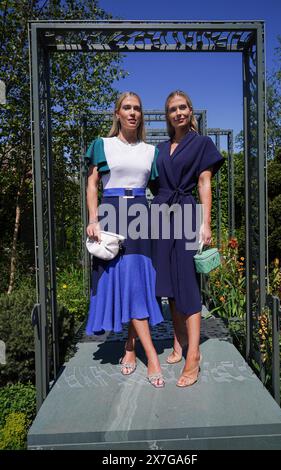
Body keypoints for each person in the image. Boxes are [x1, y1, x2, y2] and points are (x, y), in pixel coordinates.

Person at [84, 91, 164, 388]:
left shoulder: (150, 151)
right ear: (117, 113)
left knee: (137, 283)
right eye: (127, 108)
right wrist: (93, 219)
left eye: (137, 109)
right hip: (111, 214)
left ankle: (132, 348)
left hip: (142, 215)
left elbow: (162, 187)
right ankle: (150, 355)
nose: (133, 113)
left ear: (141, 115)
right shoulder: (101, 145)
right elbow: (92, 185)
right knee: (124, 281)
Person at [151, 90, 225, 387]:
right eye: (172, 109)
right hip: (159, 215)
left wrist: (205, 223)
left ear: (190, 111)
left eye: (183, 107)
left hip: (185, 213)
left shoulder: (201, 144)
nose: (178, 112)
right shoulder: (160, 147)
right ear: (167, 115)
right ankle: (179, 340)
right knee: (167, 282)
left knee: (187, 283)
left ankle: (193, 354)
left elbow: (204, 183)